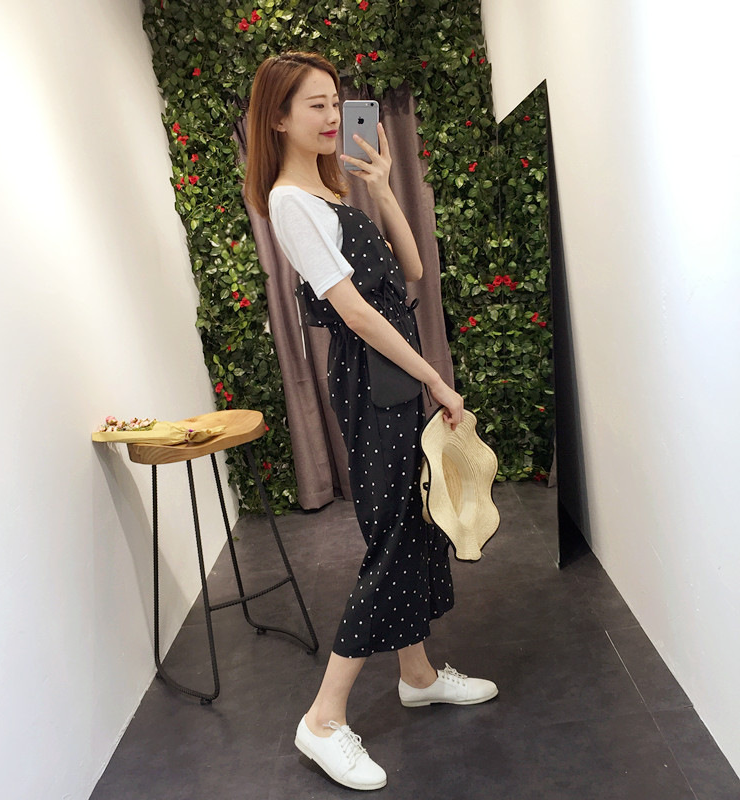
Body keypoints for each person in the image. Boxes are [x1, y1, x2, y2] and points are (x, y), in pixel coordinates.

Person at [245, 51, 497, 791]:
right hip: (373, 379)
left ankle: (416, 676)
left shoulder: (332, 196)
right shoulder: (290, 202)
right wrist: (435, 378)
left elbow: (411, 269)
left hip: (392, 373)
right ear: (278, 118)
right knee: (392, 539)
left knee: (413, 522)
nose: (332, 117)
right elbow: (354, 312)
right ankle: (323, 719)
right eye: (315, 105)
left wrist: (383, 186)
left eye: (336, 102)